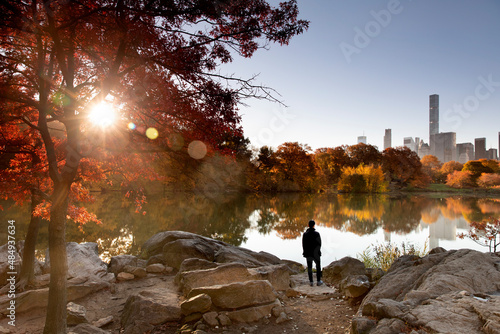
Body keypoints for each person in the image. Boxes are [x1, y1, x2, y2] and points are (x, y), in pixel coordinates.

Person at [302, 219, 323, 286]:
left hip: (308, 253)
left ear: (308, 225)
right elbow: (319, 244)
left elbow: (304, 244)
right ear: (314, 225)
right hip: (316, 253)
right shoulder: (317, 234)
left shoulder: (305, 234)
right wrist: (318, 251)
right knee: (318, 266)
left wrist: (305, 252)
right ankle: (318, 281)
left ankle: (311, 282)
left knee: (309, 267)